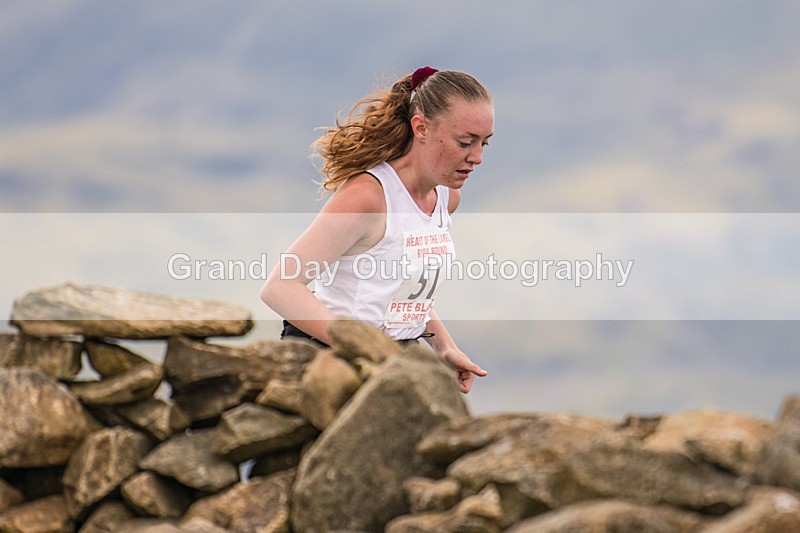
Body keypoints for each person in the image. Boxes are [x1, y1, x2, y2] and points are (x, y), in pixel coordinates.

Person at [260, 66, 492, 394]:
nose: (478, 157)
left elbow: (403, 291)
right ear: (421, 127)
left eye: (485, 143)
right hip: (326, 361)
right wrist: (362, 347)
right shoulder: (367, 196)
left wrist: (444, 347)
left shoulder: (446, 197)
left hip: (393, 358)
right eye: (466, 141)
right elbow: (280, 287)